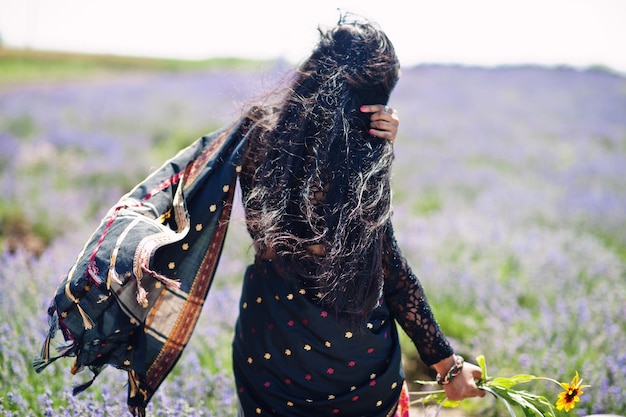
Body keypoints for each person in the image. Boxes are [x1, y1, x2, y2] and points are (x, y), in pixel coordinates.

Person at [231, 15, 485, 417]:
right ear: (374, 97)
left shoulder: (258, 130)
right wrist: (447, 366)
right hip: (347, 359)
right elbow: (391, 269)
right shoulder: (362, 151)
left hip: (270, 345)